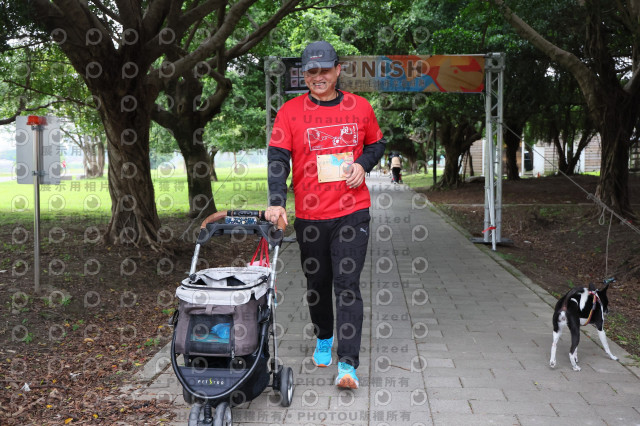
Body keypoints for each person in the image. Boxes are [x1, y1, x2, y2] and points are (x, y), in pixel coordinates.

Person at [265, 41, 386, 389]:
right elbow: (278, 158)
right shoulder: (289, 112)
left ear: (337, 70)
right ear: (304, 74)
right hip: (310, 217)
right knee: (317, 285)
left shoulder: (360, 107)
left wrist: (362, 165)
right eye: (311, 71)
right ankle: (324, 337)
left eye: (325, 70)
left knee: (347, 285)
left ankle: (348, 365)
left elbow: (377, 144)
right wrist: (277, 201)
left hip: (352, 213)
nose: (318, 76)